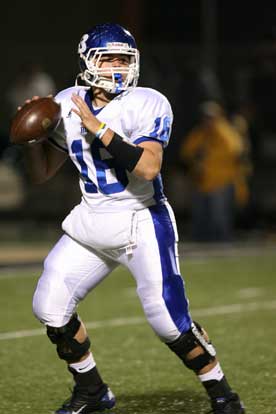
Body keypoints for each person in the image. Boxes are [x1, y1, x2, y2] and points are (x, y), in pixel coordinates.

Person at [20, 24, 245, 414]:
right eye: (108, 58)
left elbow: (147, 167)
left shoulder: (148, 102)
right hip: (90, 220)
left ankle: (224, 397)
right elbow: (42, 173)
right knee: (49, 306)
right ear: (87, 61)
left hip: (140, 221)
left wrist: (97, 126)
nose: (117, 67)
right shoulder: (67, 101)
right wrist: (33, 139)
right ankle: (92, 392)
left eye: (124, 59)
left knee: (169, 323)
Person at [180, 101, 250, 242]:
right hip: (202, 182)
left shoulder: (224, 131)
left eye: (211, 117)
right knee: (201, 217)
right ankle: (204, 245)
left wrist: (209, 154)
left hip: (221, 182)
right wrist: (196, 156)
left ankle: (223, 245)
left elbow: (236, 150)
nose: (208, 120)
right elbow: (185, 151)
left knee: (219, 217)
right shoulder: (199, 133)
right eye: (206, 117)